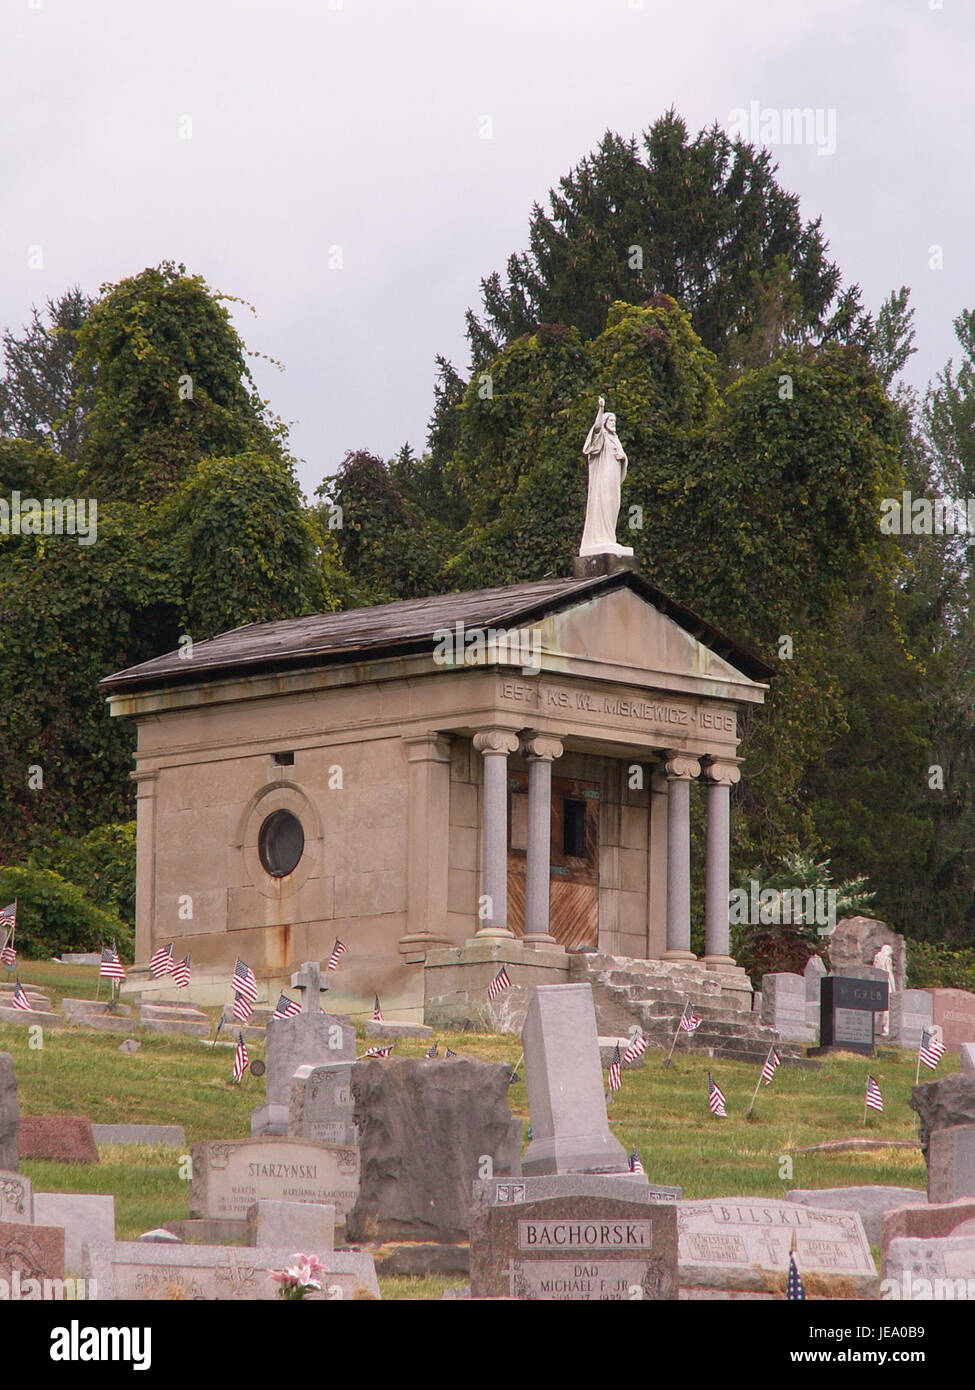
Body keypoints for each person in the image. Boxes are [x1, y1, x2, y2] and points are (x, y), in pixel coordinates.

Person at [579, 396, 633, 557]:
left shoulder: (615, 440)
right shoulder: (601, 435)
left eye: (615, 421)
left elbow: (622, 459)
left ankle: (609, 536)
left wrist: (623, 459)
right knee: (604, 502)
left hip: (614, 480)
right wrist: (601, 409)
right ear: (605, 422)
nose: (613, 424)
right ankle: (601, 537)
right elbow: (596, 429)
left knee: (613, 505)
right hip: (603, 479)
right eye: (611, 421)